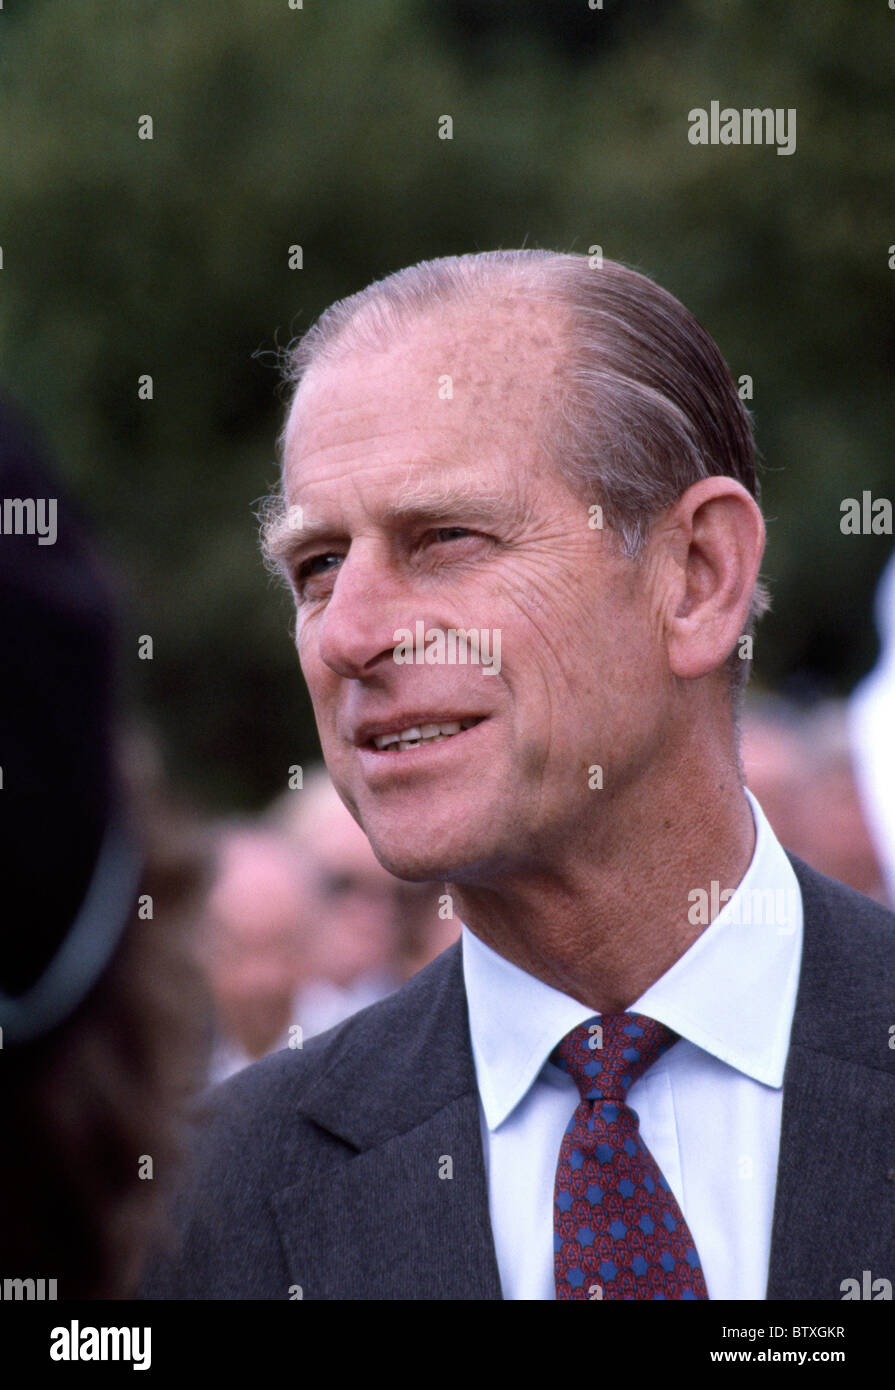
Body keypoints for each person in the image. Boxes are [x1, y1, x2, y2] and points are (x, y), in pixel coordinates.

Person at [141, 251, 895, 1301]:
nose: (348, 634)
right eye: (317, 565)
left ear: (698, 576)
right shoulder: (200, 1214)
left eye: (445, 537)